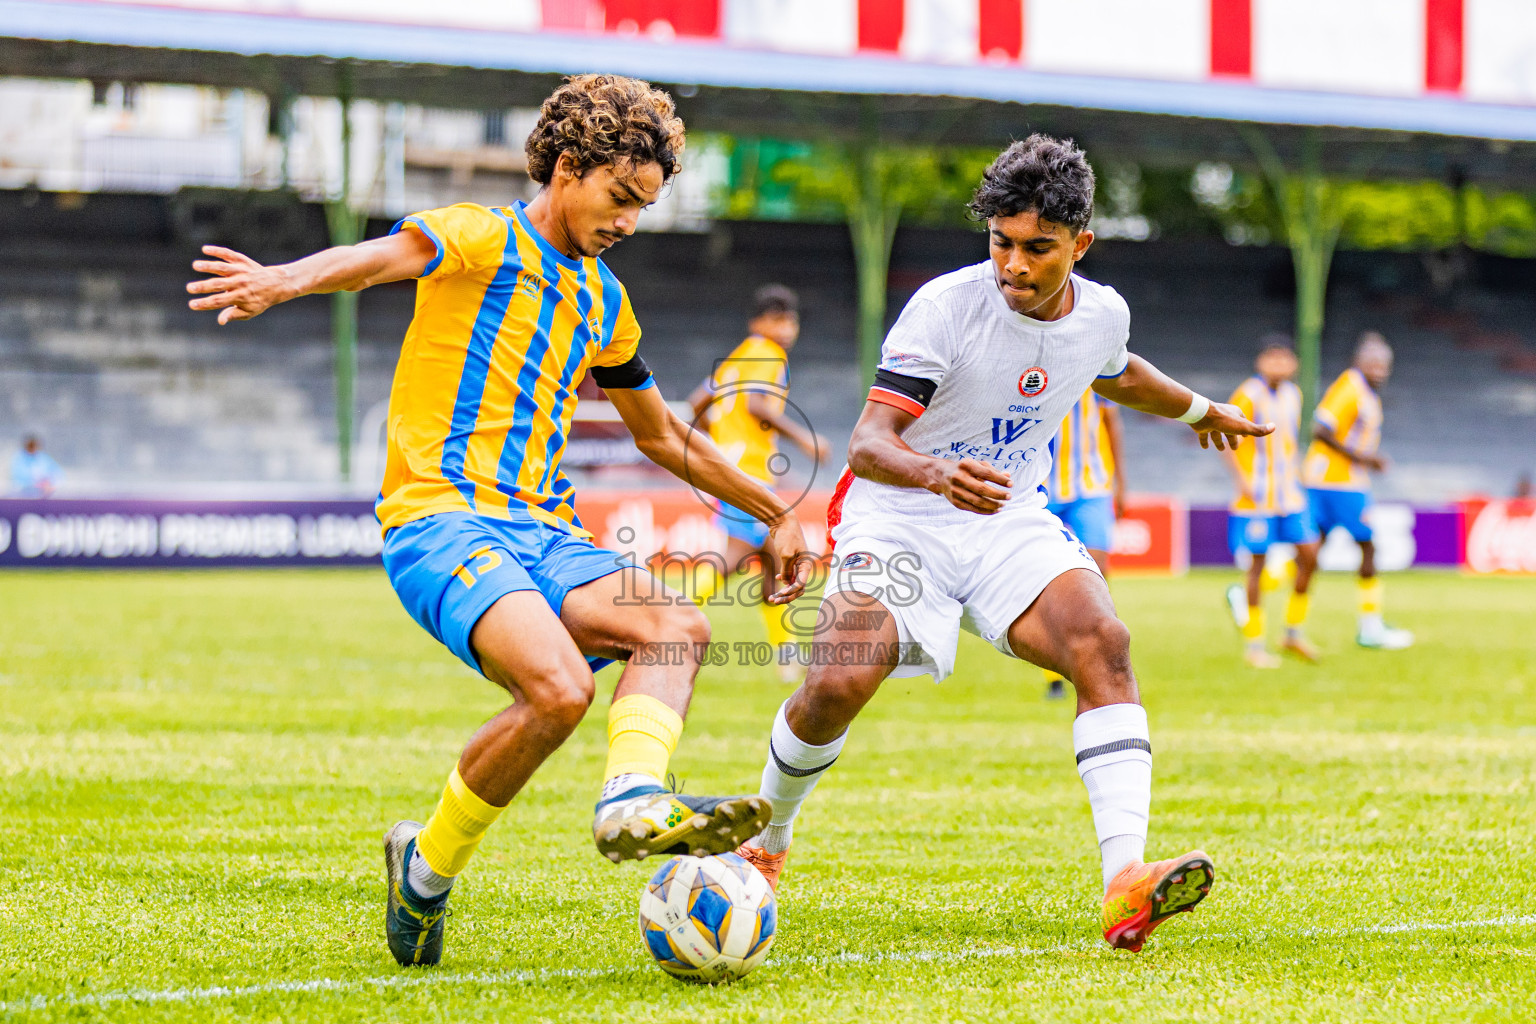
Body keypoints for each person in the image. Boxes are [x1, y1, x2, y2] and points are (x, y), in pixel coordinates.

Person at [186, 74, 811, 969]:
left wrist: (775, 509)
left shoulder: (607, 303)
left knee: (676, 624)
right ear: (566, 167)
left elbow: (664, 432)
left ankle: (629, 798)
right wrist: (282, 280)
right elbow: (377, 259)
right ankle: (432, 870)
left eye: (644, 207)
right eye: (619, 198)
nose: (629, 222)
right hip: (440, 519)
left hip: (543, 531)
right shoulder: (480, 235)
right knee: (560, 690)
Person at [732, 135, 1273, 953]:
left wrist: (1204, 411)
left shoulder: (1102, 312)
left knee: (1105, 641)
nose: (1013, 266)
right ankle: (764, 844)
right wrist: (937, 473)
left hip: (1006, 516)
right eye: (1001, 243)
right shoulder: (947, 306)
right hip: (898, 511)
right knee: (839, 680)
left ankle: (1125, 882)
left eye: (1037, 249)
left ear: (1080, 245)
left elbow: (1117, 370)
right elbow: (867, 442)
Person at [687, 284, 824, 683]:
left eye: (791, 320)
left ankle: (787, 657)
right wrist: (803, 439)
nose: (787, 328)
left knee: (771, 561)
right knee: (737, 553)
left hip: (728, 463)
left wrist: (722, 437)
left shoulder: (736, 358)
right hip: (748, 468)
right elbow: (756, 405)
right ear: (759, 322)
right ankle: (663, 617)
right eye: (779, 319)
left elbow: (698, 403)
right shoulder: (768, 354)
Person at [1303, 333, 1414, 650]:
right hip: (1340, 483)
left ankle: (1260, 598)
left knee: (1311, 555)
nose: (1380, 369)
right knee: (1368, 548)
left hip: (1329, 481)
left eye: (1385, 364)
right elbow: (1320, 429)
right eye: (1374, 362)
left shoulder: (1365, 392)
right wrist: (1363, 458)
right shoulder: (1350, 387)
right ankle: (1370, 627)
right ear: (1358, 362)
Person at [1221, 337, 1321, 669]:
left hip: (1290, 493)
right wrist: (1241, 479)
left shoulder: (1294, 394)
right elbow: (1224, 433)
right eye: (1272, 358)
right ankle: (1255, 645)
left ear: (1294, 363)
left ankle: (1292, 631)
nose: (1279, 364)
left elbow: (1291, 442)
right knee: (1257, 565)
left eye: (1285, 358)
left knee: (1310, 556)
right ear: (1261, 362)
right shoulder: (1248, 393)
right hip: (1258, 497)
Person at [1042, 390, 1125, 698]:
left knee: (1098, 570)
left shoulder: (1095, 363)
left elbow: (1111, 422)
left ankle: (1100, 653)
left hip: (1091, 485)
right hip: (1041, 485)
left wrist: (1121, 482)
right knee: (1043, 575)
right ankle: (1053, 674)